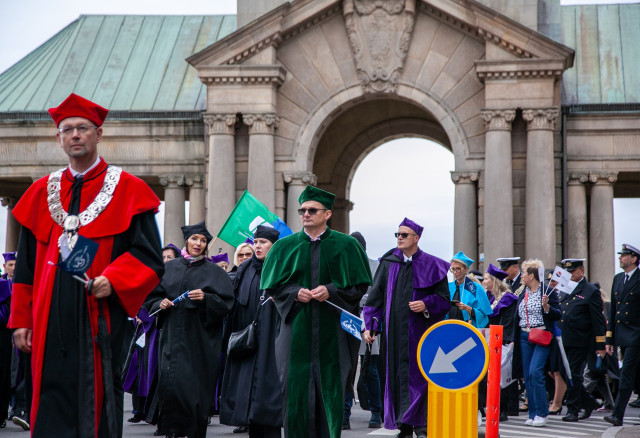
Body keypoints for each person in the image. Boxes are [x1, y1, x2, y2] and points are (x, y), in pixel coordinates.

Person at [9, 93, 165, 437]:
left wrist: (114, 279)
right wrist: (22, 319)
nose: (74, 135)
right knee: (49, 400)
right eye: (67, 130)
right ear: (59, 138)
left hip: (100, 316)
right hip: (48, 320)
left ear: (99, 134)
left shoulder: (128, 188)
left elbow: (150, 257)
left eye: (82, 128)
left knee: (97, 404)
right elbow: (25, 266)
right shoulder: (40, 192)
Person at [260, 185, 372, 438]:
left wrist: (331, 290)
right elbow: (273, 288)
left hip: (332, 332)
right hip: (294, 329)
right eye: (302, 210)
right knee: (294, 390)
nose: (306, 214)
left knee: (330, 390)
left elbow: (359, 285)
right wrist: (293, 293)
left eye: (312, 210)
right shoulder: (284, 246)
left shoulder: (346, 246)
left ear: (327, 214)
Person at [143, 222, 234, 438]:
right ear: (187, 240)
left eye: (203, 241)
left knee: (196, 391)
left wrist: (206, 299)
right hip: (171, 338)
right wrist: (160, 304)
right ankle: (171, 431)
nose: (198, 244)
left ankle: (195, 432)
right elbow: (151, 297)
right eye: (195, 239)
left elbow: (227, 304)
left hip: (201, 342)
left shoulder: (214, 272)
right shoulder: (168, 267)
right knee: (171, 386)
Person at [363, 218, 450, 438]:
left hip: (420, 333)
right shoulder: (388, 262)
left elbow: (443, 300)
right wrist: (370, 325)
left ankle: (422, 425)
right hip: (393, 335)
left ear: (416, 238)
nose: (399, 238)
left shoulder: (433, 265)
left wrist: (426, 304)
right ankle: (403, 424)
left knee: (419, 378)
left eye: (404, 235)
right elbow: (375, 298)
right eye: (397, 235)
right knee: (396, 378)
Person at [220, 225, 282, 437]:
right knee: (246, 393)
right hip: (248, 339)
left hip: (272, 340)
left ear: (274, 246)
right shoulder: (245, 269)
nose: (257, 246)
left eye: (263, 242)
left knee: (267, 395)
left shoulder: (281, 268)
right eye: (255, 242)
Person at [512, 259, 561, 427]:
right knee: (528, 376)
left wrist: (547, 307)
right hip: (524, 336)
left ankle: (542, 412)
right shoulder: (521, 291)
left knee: (535, 372)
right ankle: (533, 413)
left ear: (531, 275)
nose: (522, 276)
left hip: (541, 335)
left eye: (524, 273)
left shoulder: (547, 291)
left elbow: (558, 315)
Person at [557, 258, 606, 422]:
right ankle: (589, 402)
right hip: (563, 339)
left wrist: (600, 345)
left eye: (572, 271)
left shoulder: (590, 290)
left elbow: (598, 321)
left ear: (581, 271)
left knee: (573, 374)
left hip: (580, 339)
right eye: (567, 272)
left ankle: (573, 409)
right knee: (565, 373)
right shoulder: (563, 289)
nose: (569, 275)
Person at [604, 244, 640, 426]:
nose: (620, 258)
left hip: (636, 334)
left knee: (626, 374)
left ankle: (617, 415)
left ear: (633, 259)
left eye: (624, 255)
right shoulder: (618, 279)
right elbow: (613, 312)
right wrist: (609, 339)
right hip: (622, 334)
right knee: (633, 374)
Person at [483, 263, 519, 420]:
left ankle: (504, 409)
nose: (484, 282)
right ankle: (494, 407)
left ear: (494, 280)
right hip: (490, 339)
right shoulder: (489, 297)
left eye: (486, 279)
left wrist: (507, 341)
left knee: (503, 376)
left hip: (503, 341)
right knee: (492, 377)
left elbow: (508, 322)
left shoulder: (508, 299)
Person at [447, 251, 492, 328]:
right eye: (453, 269)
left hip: (468, 329)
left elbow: (485, 316)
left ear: (466, 269)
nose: (455, 272)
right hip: (449, 327)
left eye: (458, 269)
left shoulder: (476, 288)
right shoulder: (448, 287)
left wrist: (468, 309)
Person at [0, 252, 16, 429]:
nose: (13, 268)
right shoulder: (3, 283)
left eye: (14, 264)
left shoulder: (14, 285)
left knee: (7, 373)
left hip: (8, 333)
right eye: (10, 264)